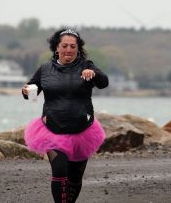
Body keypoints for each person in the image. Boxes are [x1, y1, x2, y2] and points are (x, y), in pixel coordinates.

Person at [22, 28, 108, 203]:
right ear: (57, 48)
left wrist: (94, 74)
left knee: (75, 178)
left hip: (82, 130)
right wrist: (26, 91)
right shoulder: (45, 69)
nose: (68, 49)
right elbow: (32, 89)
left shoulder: (86, 66)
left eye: (73, 46)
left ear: (78, 48)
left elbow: (104, 82)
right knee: (60, 170)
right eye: (65, 46)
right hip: (53, 128)